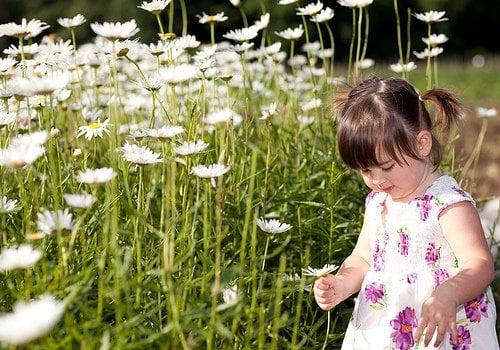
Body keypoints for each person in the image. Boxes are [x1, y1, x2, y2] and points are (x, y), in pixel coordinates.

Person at [313, 77, 498, 349]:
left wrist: (449, 293)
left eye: (386, 167)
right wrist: (341, 283)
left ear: (421, 144)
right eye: (365, 170)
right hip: (385, 328)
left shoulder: (446, 202)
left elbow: (480, 264)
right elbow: (364, 257)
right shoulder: (377, 203)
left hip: (439, 327)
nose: (376, 180)